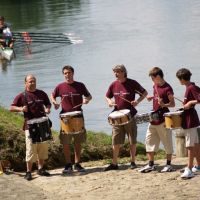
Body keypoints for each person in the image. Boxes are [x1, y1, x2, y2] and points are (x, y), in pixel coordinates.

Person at [104, 64, 148, 171]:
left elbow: (145, 93)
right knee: (115, 140)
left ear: (124, 72)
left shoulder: (132, 83)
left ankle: (133, 162)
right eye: (115, 72)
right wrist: (110, 102)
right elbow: (107, 96)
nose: (116, 74)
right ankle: (114, 164)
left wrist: (137, 101)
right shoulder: (113, 85)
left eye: (118, 71)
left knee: (132, 139)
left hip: (130, 115)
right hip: (116, 115)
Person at [51, 65, 92, 173]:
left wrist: (86, 100)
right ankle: (68, 164)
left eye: (69, 73)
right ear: (63, 75)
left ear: (73, 73)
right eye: (65, 73)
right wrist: (55, 103)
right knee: (66, 142)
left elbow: (89, 96)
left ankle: (77, 164)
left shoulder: (80, 85)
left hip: (78, 116)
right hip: (65, 117)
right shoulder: (60, 86)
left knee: (78, 142)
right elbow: (52, 96)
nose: (67, 75)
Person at [10, 75, 51, 180]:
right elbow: (11, 107)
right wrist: (21, 109)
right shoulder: (22, 95)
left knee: (42, 147)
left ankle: (41, 169)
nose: (32, 83)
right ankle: (28, 172)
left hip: (42, 123)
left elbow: (48, 104)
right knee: (31, 149)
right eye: (30, 81)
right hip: (29, 125)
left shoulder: (41, 93)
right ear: (25, 83)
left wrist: (47, 109)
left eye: (33, 81)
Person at [138, 67, 175, 173]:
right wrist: (151, 97)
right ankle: (151, 164)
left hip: (164, 119)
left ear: (158, 76)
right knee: (149, 140)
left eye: (153, 78)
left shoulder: (168, 88)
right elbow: (156, 97)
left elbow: (173, 104)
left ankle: (168, 164)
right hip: (153, 117)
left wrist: (164, 104)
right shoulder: (155, 86)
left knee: (167, 141)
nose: (152, 80)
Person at [176, 68, 200, 178]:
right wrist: (186, 102)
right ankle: (198, 166)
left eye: (179, 79)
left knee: (189, 144)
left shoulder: (192, 87)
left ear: (182, 79)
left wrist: (190, 102)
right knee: (195, 142)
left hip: (190, 117)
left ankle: (189, 168)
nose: (179, 82)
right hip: (190, 117)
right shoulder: (188, 87)